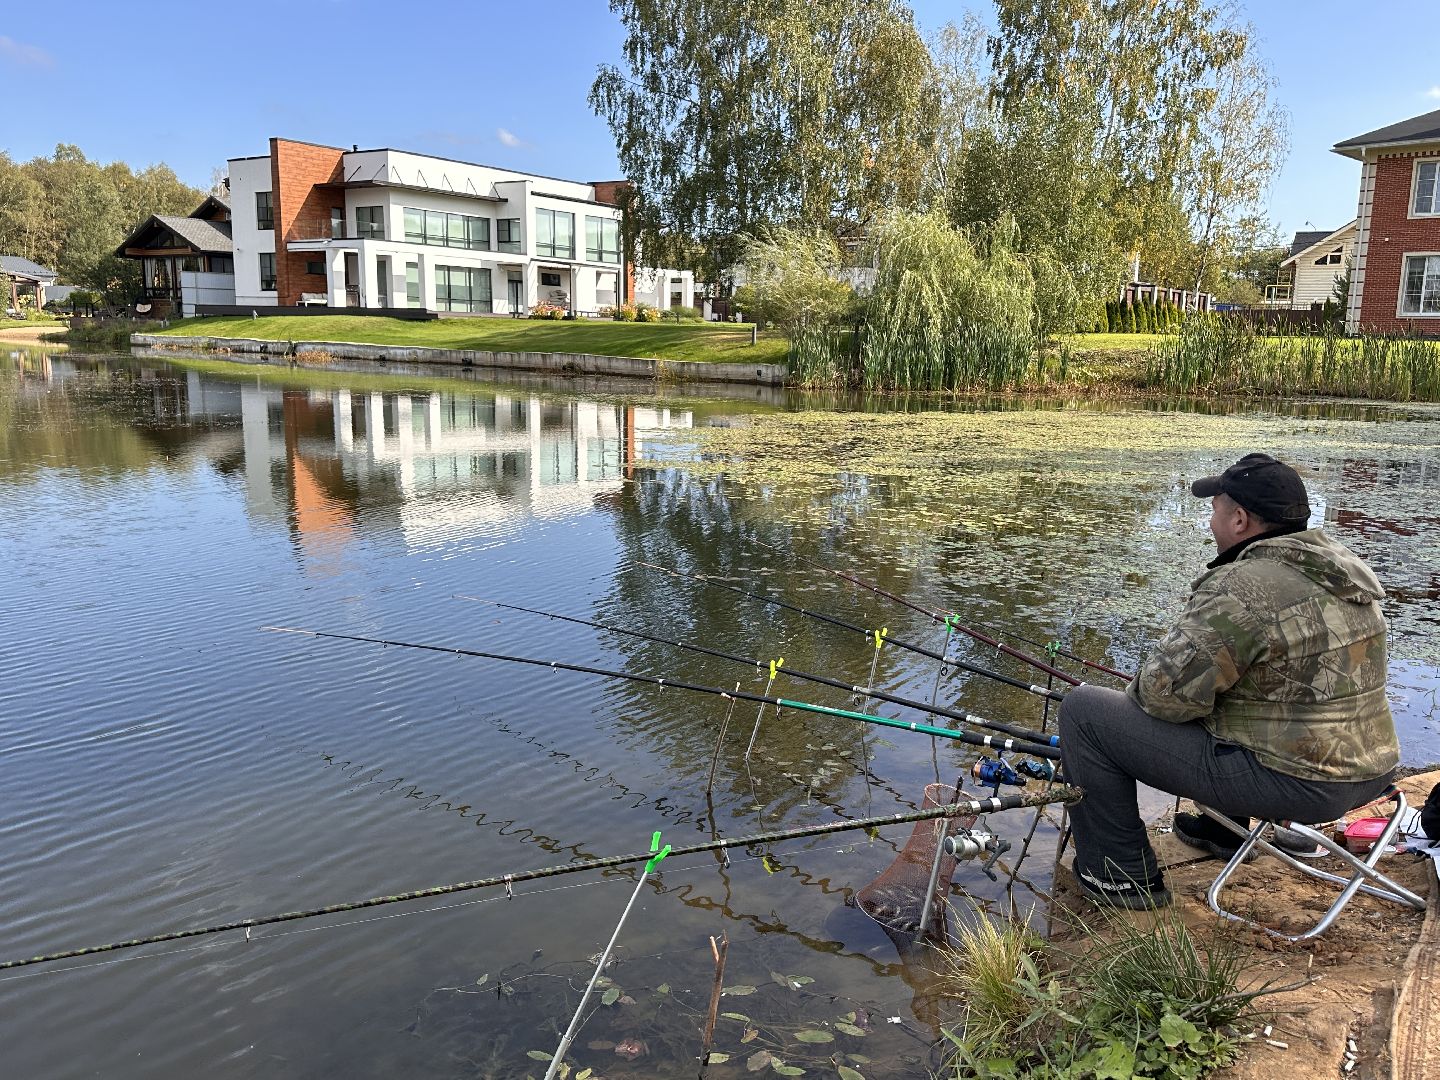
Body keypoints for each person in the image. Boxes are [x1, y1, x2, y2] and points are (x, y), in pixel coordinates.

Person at [1059, 453, 1399, 909]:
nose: (1210, 521)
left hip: (1302, 785)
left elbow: (1161, 697)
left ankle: (1120, 877)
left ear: (1239, 519)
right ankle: (1224, 830)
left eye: (1215, 509)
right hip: (1374, 771)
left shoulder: (1243, 586)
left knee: (1084, 713)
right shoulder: (1340, 569)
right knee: (1235, 692)